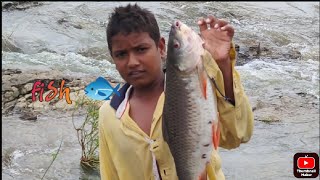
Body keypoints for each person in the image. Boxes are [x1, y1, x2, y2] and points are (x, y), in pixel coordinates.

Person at [98, 3, 254, 180]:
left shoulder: (192, 91)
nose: (132, 62)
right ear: (112, 58)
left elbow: (237, 135)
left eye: (141, 49)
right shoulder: (108, 114)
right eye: (121, 54)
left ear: (162, 47)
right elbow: (109, 174)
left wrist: (223, 63)